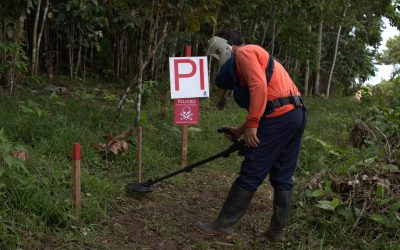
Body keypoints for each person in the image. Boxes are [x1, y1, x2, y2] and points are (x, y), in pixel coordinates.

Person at [198, 27, 307, 242]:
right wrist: (242, 129)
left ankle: (223, 225)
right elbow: (272, 101)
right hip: (295, 114)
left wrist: (253, 124)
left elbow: (259, 87)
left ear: (224, 44)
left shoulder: (245, 53)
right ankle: (277, 232)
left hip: (279, 117)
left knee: (252, 169)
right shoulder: (256, 55)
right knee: (283, 175)